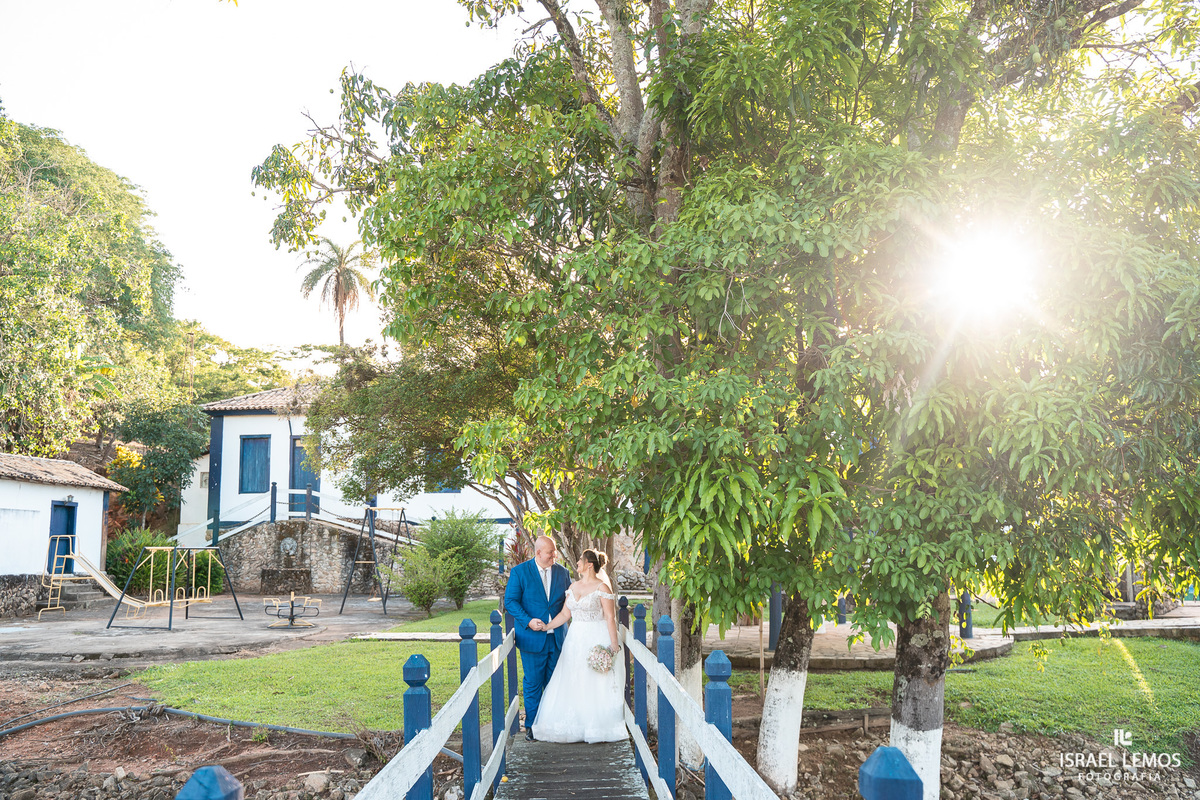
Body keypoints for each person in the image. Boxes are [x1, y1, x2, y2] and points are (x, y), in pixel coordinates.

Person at [531, 549, 626, 743]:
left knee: (595, 681)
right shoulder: (573, 587)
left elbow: (610, 617)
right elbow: (566, 615)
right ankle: (574, 724)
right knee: (573, 678)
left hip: (596, 636)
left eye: (580, 561)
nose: (577, 564)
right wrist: (547, 626)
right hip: (575, 640)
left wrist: (613, 646)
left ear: (589, 564)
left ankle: (594, 726)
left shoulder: (602, 588)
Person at [504, 534, 570, 741]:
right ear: (538, 552)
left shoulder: (563, 573)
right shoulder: (519, 572)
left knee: (555, 684)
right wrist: (528, 621)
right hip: (532, 639)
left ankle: (552, 725)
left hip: (558, 638)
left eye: (555, 552)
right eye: (551, 552)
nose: (554, 556)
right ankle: (532, 727)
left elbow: (568, 603)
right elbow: (511, 602)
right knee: (533, 683)